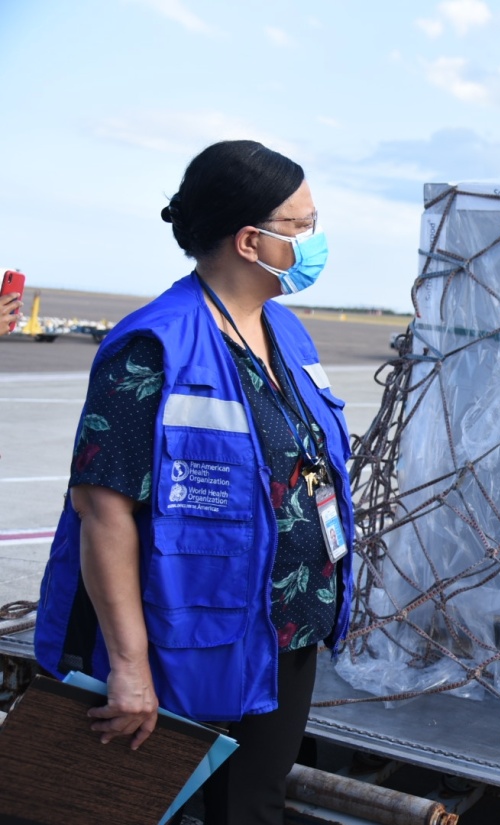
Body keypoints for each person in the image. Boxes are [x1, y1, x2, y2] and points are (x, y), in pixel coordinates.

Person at [34, 140, 355, 824]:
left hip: (282, 633)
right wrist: (128, 665)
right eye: (301, 227)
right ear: (249, 240)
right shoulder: (154, 344)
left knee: (252, 807)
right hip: (186, 634)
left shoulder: (287, 333)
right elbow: (103, 510)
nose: (315, 241)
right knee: (155, 809)